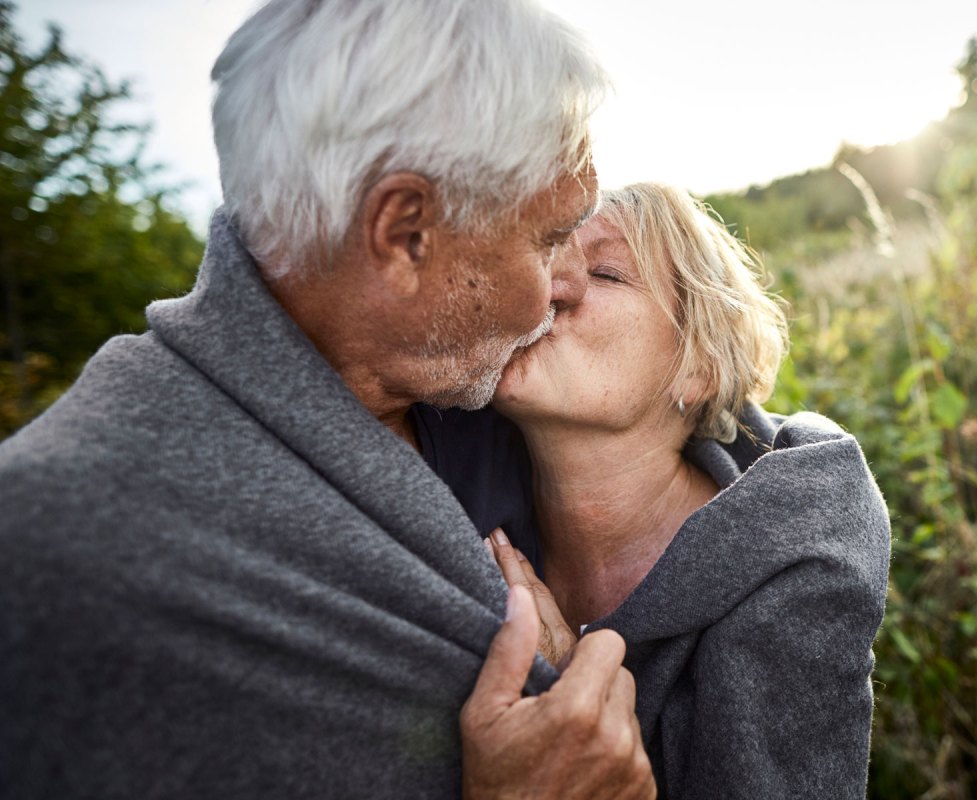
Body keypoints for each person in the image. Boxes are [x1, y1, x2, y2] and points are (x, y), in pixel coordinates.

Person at [0, 1, 656, 798]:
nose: (569, 286)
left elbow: (693, 427)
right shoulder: (49, 555)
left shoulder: (465, 388)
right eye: (550, 240)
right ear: (405, 232)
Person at [427, 183, 892, 797]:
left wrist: (573, 696)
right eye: (548, 256)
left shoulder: (792, 569)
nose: (552, 287)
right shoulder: (447, 476)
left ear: (698, 365)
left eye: (607, 273)